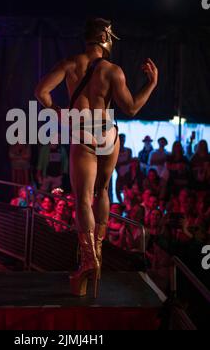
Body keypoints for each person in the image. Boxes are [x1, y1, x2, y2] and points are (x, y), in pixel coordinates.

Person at [35, 17, 158, 297]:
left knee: (82, 198)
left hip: (83, 133)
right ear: (106, 38)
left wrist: (56, 111)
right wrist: (151, 84)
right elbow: (131, 108)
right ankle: (98, 259)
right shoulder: (113, 71)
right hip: (109, 134)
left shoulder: (71, 64)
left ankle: (88, 260)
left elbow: (40, 91)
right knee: (102, 191)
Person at [116, 134, 133, 203]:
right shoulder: (115, 150)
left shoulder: (128, 150)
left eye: (123, 139)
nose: (122, 141)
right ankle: (121, 203)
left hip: (128, 173)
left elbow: (129, 160)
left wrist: (120, 163)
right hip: (119, 173)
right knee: (118, 190)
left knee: (128, 190)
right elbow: (115, 164)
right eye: (121, 139)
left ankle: (127, 204)